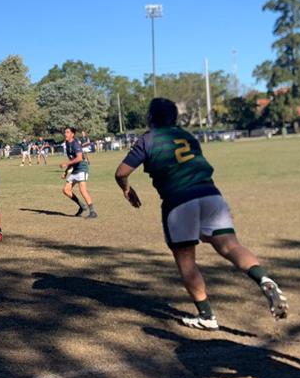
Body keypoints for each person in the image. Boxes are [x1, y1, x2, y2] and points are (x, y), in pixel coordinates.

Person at [114, 98, 289, 331]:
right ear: (175, 118)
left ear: (150, 118)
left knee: (187, 262)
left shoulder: (147, 139)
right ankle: (263, 279)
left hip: (178, 201)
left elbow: (121, 172)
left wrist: (126, 188)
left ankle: (207, 315)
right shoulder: (188, 136)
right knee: (231, 247)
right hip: (210, 195)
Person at [61, 126, 97, 219]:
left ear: (72, 134)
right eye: (65, 132)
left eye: (68, 132)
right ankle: (82, 206)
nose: (65, 134)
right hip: (75, 169)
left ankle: (93, 212)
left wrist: (66, 164)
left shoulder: (75, 144)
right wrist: (66, 172)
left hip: (82, 168)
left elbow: (79, 158)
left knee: (82, 190)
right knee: (66, 190)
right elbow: (73, 159)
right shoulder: (67, 143)